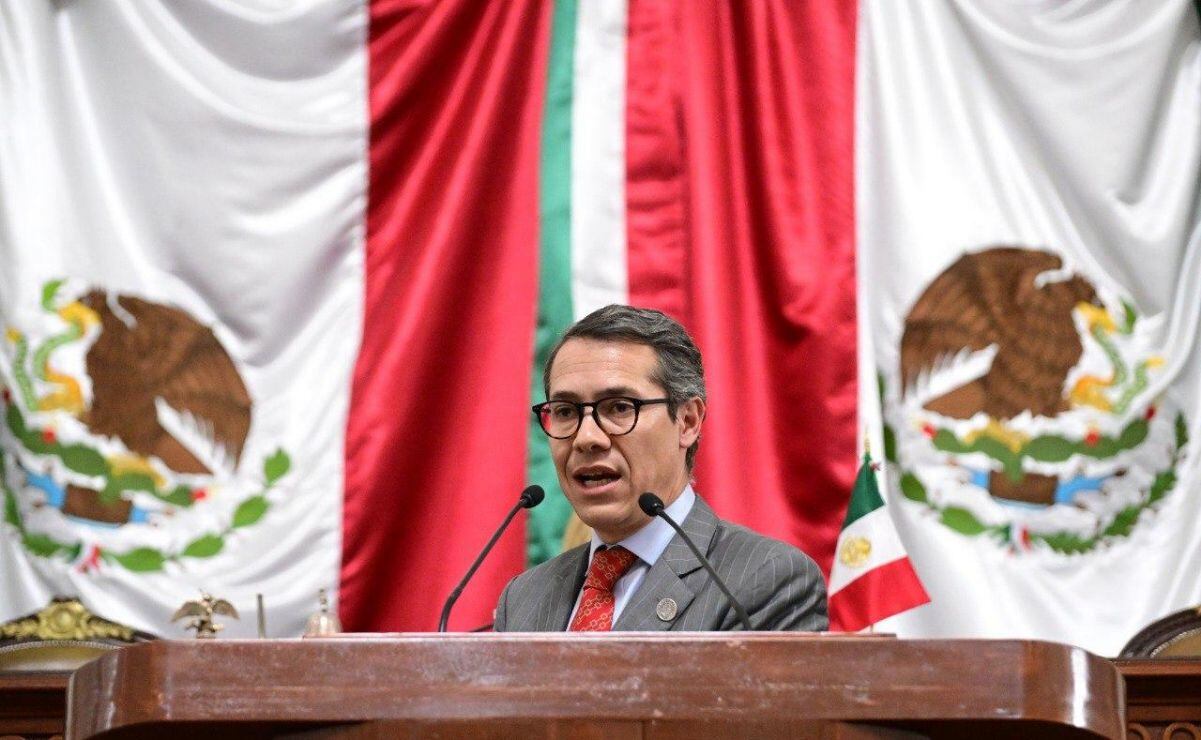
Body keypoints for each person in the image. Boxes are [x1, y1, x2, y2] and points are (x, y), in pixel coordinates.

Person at [494, 305, 827, 631]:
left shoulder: (764, 580)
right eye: (566, 411)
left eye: (619, 407)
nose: (586, 438)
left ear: (687, 421)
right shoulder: (525, 597)